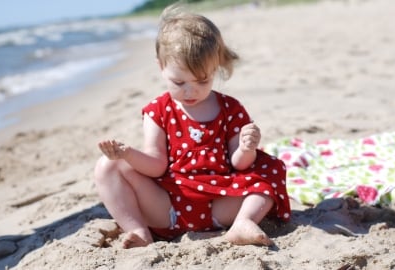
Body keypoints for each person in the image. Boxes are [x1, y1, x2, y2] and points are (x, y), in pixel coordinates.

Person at [94, 5, 291, 249]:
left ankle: (243, 223)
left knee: (271, 166)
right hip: (168, 208)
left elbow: (240, 164)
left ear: (215, 68)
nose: (190, 91)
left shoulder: (230, 108)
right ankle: (138, 231)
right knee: (108, 166)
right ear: (160, 66)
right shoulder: (158, 110)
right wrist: (127, 154)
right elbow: (156, 166)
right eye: (179, 82)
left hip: (221, 204)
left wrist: (247, 147)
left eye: (202, 81)